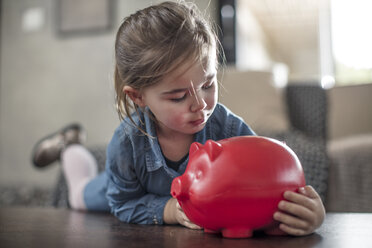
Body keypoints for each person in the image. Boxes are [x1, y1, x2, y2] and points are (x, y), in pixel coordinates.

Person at [31, 1, 325, 236]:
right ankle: (70, 147)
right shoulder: (126, 143)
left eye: (208, 85)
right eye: (177, 97)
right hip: (125, 188)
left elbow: (268, 181)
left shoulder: (230, 129)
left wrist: (306, 212)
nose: (200, 105)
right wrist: (168, 210)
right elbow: (123, 203)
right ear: (138, 97)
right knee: (81, 196)